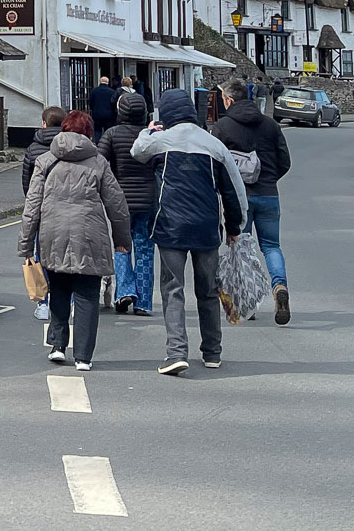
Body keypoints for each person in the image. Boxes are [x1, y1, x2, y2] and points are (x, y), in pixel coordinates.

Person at [133, 88, 248, 374]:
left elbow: (137, 150)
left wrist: (149, 131)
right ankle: (212, 352)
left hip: (170, 226)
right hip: (206, 228)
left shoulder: (159, 141)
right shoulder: (214, 145)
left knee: (173, 289)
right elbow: (234, 191)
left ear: (166, 113)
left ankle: (176, 353)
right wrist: (235, 226)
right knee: (207, 291)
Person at [19, 110, 131, 372]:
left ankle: (58, 346)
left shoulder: (46, 160)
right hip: (89, 234)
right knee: (87, 296)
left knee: (58, 290)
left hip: (52, 233)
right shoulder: (98, 162)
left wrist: (26, 244)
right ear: (88, 134)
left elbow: (32, 205)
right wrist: (121, 239)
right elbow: (117, 204)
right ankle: (83, 356)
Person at [214, 76, 294, 325]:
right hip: (269, 193)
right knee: (271, 246)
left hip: (241, 198)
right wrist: (269, 179)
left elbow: (216, 164)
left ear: (228, 99)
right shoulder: (270, 125)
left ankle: (247, 302)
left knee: (242, 248)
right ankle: (279, 286)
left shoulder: (222, 127)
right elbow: (285, 161)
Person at [98, 90, 158, 316]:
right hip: (148, 199)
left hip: (120, 200)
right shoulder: (150, 136)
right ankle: (143, 302)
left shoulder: (112, 134)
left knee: (121, 245)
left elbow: (99, 163)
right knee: (145, 248)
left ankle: (124, 291)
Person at [22, 105, 64, 321]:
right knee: (66, 255)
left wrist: (30, 201)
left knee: (41, 256)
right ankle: (69, 301)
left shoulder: (33, 148)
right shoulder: (69, 146)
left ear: (44, 124)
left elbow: (26, 181)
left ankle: (43, 303)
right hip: (64, 208)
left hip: (41, 210)